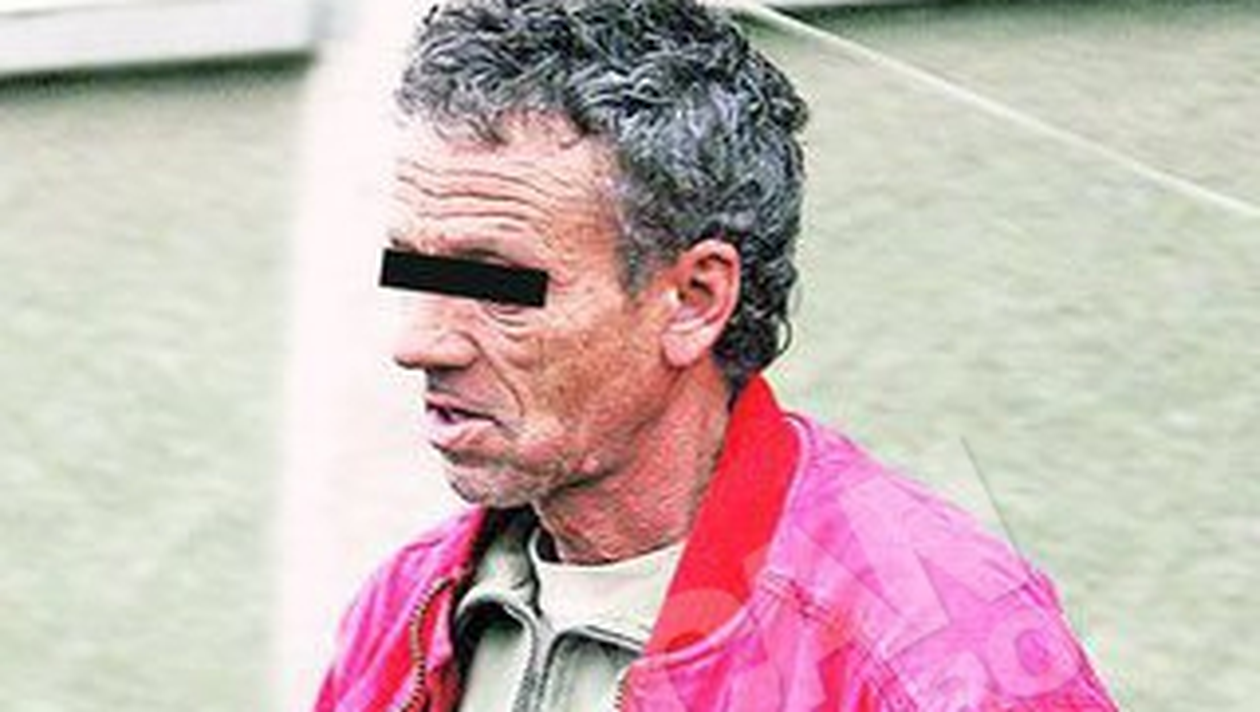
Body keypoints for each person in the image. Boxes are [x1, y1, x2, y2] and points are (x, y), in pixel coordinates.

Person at [314, 1, 1118, 709]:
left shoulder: (939, 654)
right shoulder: (408, 608)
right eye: (414, 269)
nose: (418, 342)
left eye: (498, 284)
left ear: (695, 300)